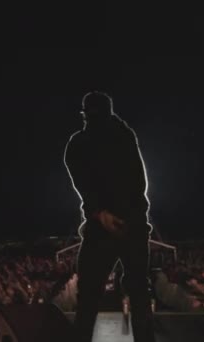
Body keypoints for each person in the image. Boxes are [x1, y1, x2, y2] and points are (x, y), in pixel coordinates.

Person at [64, 91, 154, 341]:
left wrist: (100, 213)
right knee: (138, 290)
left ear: (85, 115)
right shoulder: (124, 135)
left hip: (104, 225)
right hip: (131, 222)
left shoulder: (78, 143)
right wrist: (128, 216)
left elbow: (85, 185)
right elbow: (138, 182)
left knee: (90, 293)